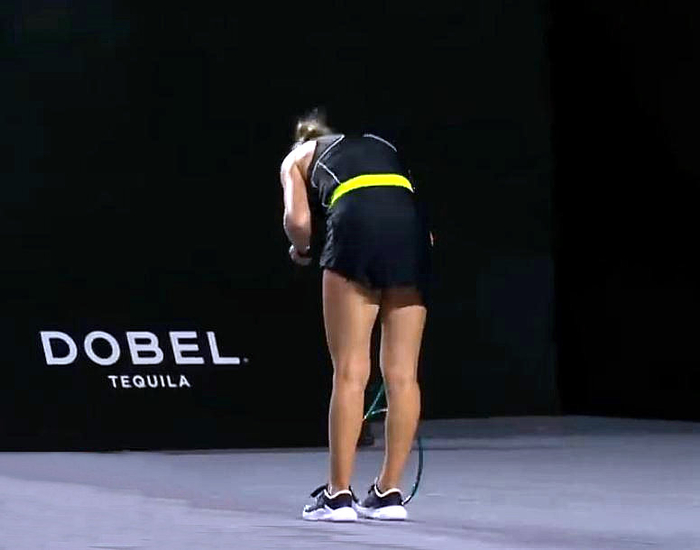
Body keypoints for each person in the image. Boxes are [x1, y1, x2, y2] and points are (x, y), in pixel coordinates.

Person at [279, 109, 433, 522]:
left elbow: (298, 221)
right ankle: (387, 493)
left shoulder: (297, 158)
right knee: (403, 375)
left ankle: (337, 496)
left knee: (350, 371)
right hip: (411, 232)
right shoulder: (382, 147)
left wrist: (302, 250)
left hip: (356, 227)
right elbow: (417, 217)